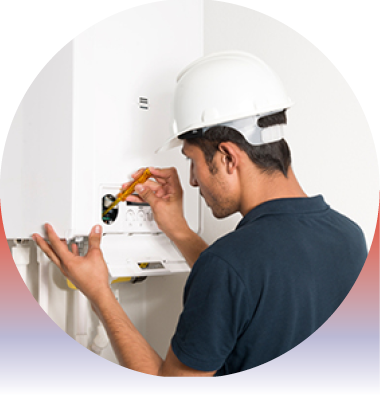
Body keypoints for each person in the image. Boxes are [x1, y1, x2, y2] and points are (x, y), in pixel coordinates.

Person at [33, 51, 367, 376]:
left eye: (192, 161)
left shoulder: (228, 265)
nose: (192, 180)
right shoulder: (350, 237)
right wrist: (178, 229)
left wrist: (99, 293)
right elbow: (250, 289)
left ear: (227, 157)